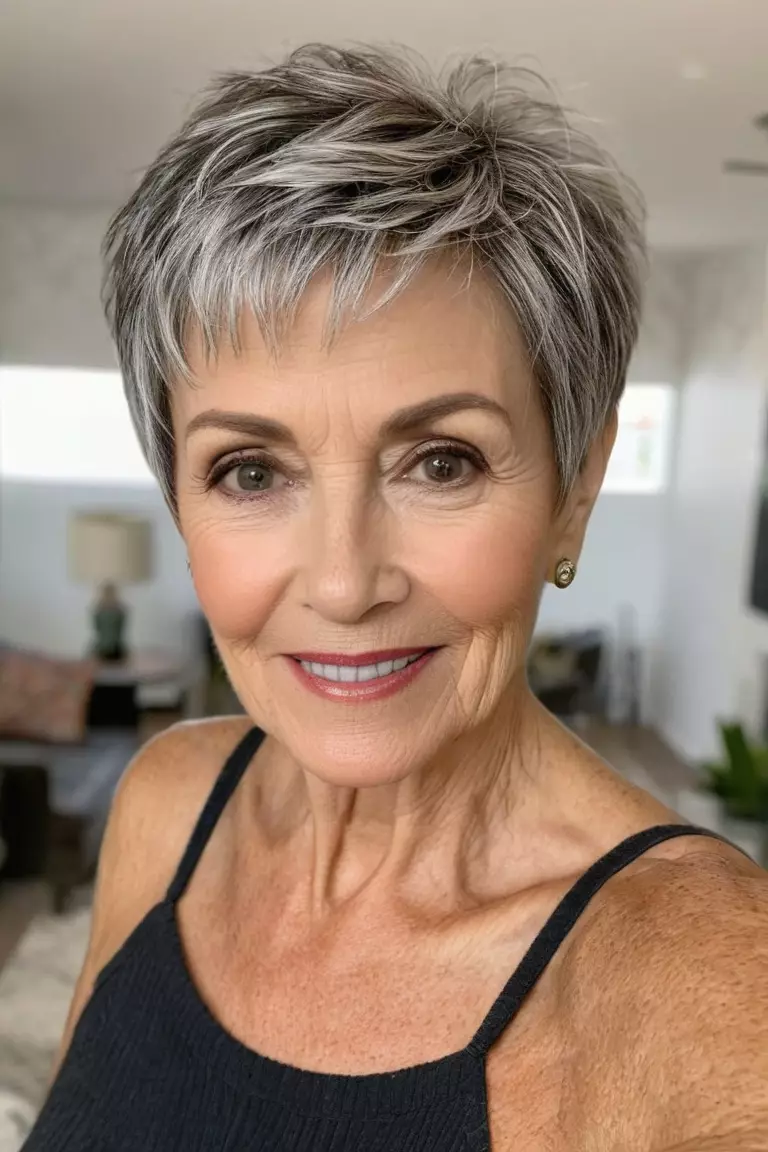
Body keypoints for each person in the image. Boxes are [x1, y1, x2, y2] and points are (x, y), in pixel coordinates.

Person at [24, 44, 768, 1152]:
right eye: (251, 472)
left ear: (575, 492)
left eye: (441, 461)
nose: (341, 582)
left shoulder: (704, 974)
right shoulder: (169, 801)